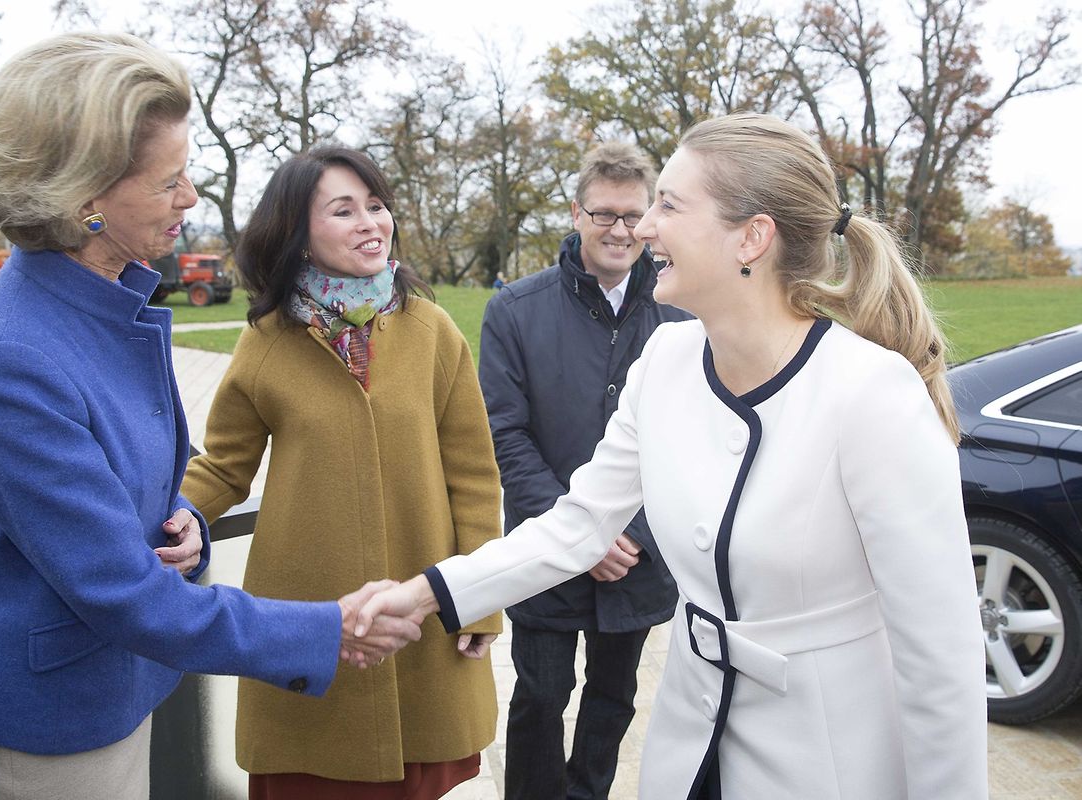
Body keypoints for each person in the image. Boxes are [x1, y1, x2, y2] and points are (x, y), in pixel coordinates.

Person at [356, 113, 988, 799]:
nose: (643, 226)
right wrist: (422, 595)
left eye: (668, 204)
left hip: (827, 760)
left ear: (751, 236)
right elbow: (577, 526)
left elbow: (941, 663)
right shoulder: (666, 359)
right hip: (690, 745)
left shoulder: (870, 393)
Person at [0, 33, 417, 800]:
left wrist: (180, 515)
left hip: (117, 687)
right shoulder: (12, 358)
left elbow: (121, 488)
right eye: (169, 183)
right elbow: (121, 592)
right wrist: (328, 629)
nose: (190, 199)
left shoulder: (98, 302)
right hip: (47, 732)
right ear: (84, 199)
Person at [181, 145, 502, 799]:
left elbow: (473, 474)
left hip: (421, 614)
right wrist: (182, 515)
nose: (370, 223)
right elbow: (223, 465)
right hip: (310, 625)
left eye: (376, 206)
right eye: (344, 209)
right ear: (298, 235)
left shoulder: (433, 330)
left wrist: (480, 599)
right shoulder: (266, 340)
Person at [479, 141, 688, 800]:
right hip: (546, 546)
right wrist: (582, 532)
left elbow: (696, 440)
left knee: (612, 701)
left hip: (639, 554)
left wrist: (633, 534)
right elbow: (504, 434)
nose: (620, 231)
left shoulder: (683, 311)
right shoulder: (515, 310)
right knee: (540, 699)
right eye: (603, 215)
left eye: (633, 215)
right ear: (575, 212)